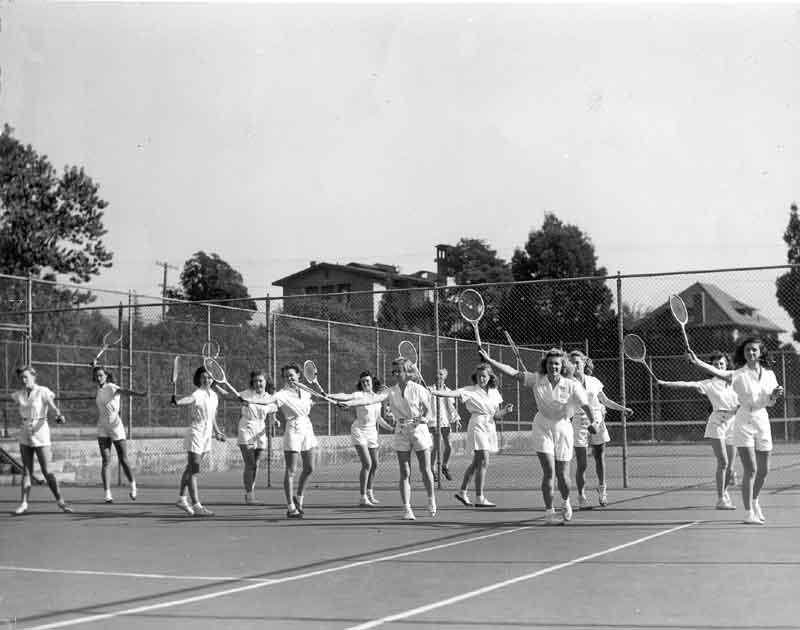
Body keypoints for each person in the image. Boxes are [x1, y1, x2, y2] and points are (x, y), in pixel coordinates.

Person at [479, 348, 598, 525]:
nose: (553, 366)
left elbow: (586, 405)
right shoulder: (536, 379)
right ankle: (549, 512)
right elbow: (512, 372)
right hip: (542, 426)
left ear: (563, 366)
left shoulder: (572, 384)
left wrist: (593, 422)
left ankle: (565, 501)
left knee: (563, 474)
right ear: (545, 365)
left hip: (563, 428)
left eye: (557, 363)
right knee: (549, 471)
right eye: (550, 363)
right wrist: (490, 360)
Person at [688, 338, 782, 525]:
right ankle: (748, 512)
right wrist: (697, 361)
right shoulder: (738, 374)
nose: (751, 353)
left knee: (764, 471)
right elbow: (716, 371)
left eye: (754, 350)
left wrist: (775, 395)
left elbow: (771, 401)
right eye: (747, 350)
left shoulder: (770, 375)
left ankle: (755, 502)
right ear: (744, 353)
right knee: (751, 469)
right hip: (743, 420)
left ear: (761, 352)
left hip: (762, 420)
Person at [342, 357, 435, 520]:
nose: (396, 374)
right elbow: (371, 398)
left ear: (407, 372)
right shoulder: (390, 391)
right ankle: (407, 508)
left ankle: (431, 499)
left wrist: (424, 419)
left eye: (399, 371)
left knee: (425, 469)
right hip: (401, 431)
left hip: (419, 430)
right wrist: (350, 404)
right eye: (394, 372)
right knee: (405, 472)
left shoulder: (418, 389)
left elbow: (429, 411)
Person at [657, 351, 739, 509]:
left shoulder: (734, 378)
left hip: (733, 423)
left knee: (730, 465)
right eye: (715, 364)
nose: (719, 366)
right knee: (723, 462)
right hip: (717, 423)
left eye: (721, 364)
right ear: (711, 366)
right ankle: (721, 499)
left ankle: (724, 491)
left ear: (726, 364)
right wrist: (666, 383)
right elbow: (687, 384)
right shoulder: (708, 383)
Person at [430, 363, 512, 507]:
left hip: (490, 426)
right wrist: (436, 392)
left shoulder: (494, 392)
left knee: (476, 463)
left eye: (484, 376)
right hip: (477, 425)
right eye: (479, 376)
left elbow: (497, 415)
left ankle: (463, 492)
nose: (481, 379)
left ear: (490, 377)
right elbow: (453, 393)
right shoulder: (470, 390)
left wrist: (505, 411)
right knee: (484, 460)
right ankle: (480, 498)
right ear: (476, 377)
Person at [568, 350, 632, 509]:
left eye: (578, 362)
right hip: (579, 422)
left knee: (599, 457)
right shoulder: (567, 383)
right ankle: (581, 495)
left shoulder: (594, 381)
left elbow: (605, 400)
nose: (575, 365)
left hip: (597, 421)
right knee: (582, 463)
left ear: (584, 363)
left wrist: (623, 409)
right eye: (572, 362)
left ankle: (602, 490)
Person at [8, 366, 72, 515]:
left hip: (41, 432)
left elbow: (51, 404)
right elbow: (8, 398)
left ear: (33, 377)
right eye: (21, 378)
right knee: (27, 471)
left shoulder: (43, 391)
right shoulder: (20, 394)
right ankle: (24, 503)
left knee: (47, 471)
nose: (23, 381)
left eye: (26, 377)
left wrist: (58, 414)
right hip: (24, 431)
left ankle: (60, 501)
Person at [329, 371, 393, 506]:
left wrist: (391, 429)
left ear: (372, 382)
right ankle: (363, 497)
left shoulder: (377, 398)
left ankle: (370, 493)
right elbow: (345, 396)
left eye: (367, 381)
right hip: (359, 431)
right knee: (367, 464)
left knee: (375, 464)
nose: (365, 384)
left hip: (372, 433)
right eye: (363, 382)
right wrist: (329, 395)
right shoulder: (358, 395)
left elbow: (378, 419)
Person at [171, 365, 226, 516]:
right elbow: (189, 399)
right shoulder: (198, 393)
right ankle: (197, 505)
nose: (207, 380)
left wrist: (217, 432)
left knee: (190, 469)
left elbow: (212, 416)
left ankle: (182, 499)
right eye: (204, 377)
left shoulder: (214, 395)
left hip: (206, 435)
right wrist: (178, 402)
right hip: (196, 433)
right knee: (194, 470)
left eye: (209, 377)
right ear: (199, 379)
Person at [90, 363, 143, 504]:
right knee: (106, 460)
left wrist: (139, 394)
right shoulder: (98, 389)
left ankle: (133, 485)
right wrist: (94, 366)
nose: (98, 377)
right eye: (96, 376)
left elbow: (125, 391)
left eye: (101, 375)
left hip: (116, 427)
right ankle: (107, 494)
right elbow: (94, 374)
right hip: (102, 427)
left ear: (106, 376)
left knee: (123, 459)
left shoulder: (112, 387)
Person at [274, 363, 318, 519]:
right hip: (293, 428)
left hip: (307, 427)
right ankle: (291, 507)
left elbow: (309, 404)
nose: (289, 378)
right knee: (291, 470)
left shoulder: (306, 391)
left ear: (298, 375)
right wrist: (253, 401)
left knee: (310, 467)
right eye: (286, 376)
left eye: (291, 375)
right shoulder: (281, 394)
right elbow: (270, 402)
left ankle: (299, 498)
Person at [236, 370, 279, 505]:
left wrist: (275, 420)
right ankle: (250, 496)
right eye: (255, 381)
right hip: (246, 428)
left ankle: (251, 492)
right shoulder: (246, 394)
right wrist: (215, 385)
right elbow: (228, 396)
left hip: (260, 431)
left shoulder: (270, 397)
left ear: (266, 382)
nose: (258, 383)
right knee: (250, 464)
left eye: (260, 380)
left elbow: (272, 412)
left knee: (256, 465)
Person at [429, 368, 461, 482]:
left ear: (445, 377)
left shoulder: (448, 391)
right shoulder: (430, 390)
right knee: (436, 446)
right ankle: (432, 470)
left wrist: (456, 419)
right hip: (433, 421)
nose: (438, 376)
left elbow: (451, 407)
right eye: (437, 374)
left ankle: (444, 466)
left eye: (441, 374)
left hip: (445, 421)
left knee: (449, 446)